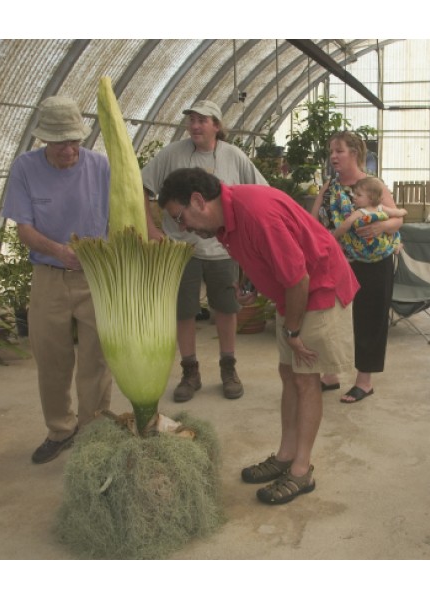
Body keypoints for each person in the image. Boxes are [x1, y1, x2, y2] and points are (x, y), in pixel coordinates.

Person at [157, 167, 359, 505]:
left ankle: (300, 470)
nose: (182, 227)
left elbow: (299, 280)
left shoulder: (256, 213)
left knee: (307, 379)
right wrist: (251, 285)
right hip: (293, 292)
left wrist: (294, 332)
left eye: (181, 217)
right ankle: (285, 454)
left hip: (319, 288)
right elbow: (258, 255)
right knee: (289, 373)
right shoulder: (224, 218)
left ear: (197, 201)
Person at [2, 96, 112, 464]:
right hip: (49, 275)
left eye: (74, 141)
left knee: (98, 358)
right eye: (60, 142)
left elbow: (123, 214)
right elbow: (24, 229)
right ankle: (60, 430)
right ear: (43, 141)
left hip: (97, 274)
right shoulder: (25, 168)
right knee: (51, 358)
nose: (69, 149)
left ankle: (93, 429)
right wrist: (59, 251)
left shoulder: (100, 166)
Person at [141, 100, 267, 402]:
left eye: (203, 120)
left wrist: (249, 239)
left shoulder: (233, 156)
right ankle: (190, 371)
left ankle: (228, 367)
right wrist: (152, 230)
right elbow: (139, 187)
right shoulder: (172, 154)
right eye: (192, 119)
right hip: (180, 249)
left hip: (222, 249)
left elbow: (260, 192)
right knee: (183, 311)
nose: (195, 125)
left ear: (217, 126)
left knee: (226, 308)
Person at [310, 132, 403, 404]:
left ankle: (364, 381)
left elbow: (397, 218)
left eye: (339, 151)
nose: (333, 156)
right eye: (331, 151)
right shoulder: (330, 186)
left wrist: (382, 226)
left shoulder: (372, 185)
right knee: (330, 319)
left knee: (370, 320)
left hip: (373, 263)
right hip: (337, 262)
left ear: (355, 153)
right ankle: (330, 375)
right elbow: (312, 220)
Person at [332, 176, 407, 261]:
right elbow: (395, 212)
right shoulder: (380, 208)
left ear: (371, 198)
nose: (354, 197)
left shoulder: (360, 212)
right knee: (395, 234)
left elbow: (345, 226)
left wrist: (333, 236)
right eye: (354, 193)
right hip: (381, 245)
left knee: (345, 239)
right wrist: (403, 211)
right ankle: (394, 247)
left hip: (368, 249)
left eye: (359, 195)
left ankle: (393, 247)